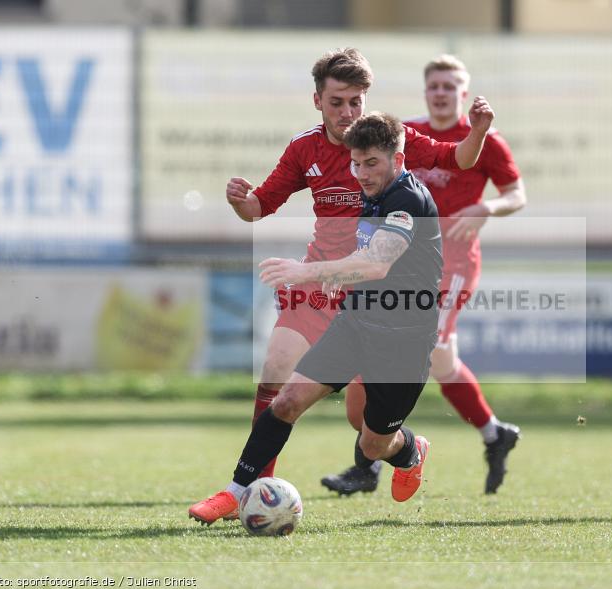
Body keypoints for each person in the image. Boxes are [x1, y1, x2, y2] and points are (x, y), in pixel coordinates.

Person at [198, 48, 494, 521]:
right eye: (337, 102)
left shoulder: (392, 147)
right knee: (278, 380)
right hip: (325, 294)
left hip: (387, 313)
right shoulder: (306, 149)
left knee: (369, 434)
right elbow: (258, 207)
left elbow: (457, 161)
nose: (348, 112)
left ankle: (407, 450)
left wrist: (476, 132)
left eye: (356, 101)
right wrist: (240, 202)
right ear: (318, 100)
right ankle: (242, 491)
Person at [190, 112, 444, 524]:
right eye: (356, 163)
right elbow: (365, 258)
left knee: (374, 445)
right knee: (287, 400)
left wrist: (305, 272)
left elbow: (378, 263)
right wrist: (340, 277)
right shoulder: (374, 190)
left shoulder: (407, 200)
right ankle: (236, 492)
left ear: (398, 159)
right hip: (357, 324)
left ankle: (411, 451)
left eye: (371, 164)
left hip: (403, 344)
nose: (360, 173)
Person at [322, 55, 526, 496]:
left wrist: (484, 207)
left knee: (433, 351)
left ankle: (373, 462)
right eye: (434, 85)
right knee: (406, 361)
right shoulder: (404, 136)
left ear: (464, 93)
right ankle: (490, 434)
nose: (441, 92)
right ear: (425, 91)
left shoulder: (482, 139)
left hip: (452, 263)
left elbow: (516, 194)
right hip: (396, 265)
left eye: (450, 86)